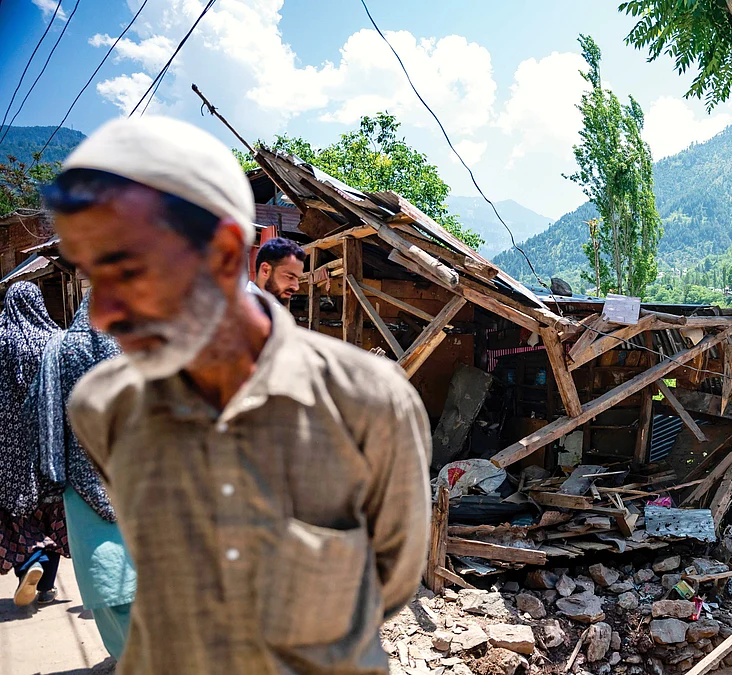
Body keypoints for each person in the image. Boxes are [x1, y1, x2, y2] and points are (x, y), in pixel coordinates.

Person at [45, 115, 432, 674]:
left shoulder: (368, 403)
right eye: (91, 278)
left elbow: (391, 581)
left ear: (228, 254)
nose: (102, 314)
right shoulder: (103, 407)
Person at [30, 294, 136, 657]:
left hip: (80, 482)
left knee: (102, 575)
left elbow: (46, 415)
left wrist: (53, 472)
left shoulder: (59, 349)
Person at [0, 281, 68, 607]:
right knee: (51, 512)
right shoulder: (55, 341)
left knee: (15, 514)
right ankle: (47, 586)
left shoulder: (1, 340)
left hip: (9, 448)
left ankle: (30, 564)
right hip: (50, 444)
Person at [252, 237, 305, 304]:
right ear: (265, 270)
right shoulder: (243, 307)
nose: (296, 287)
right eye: (290, 277)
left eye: (298, 279)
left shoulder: (270, 307)